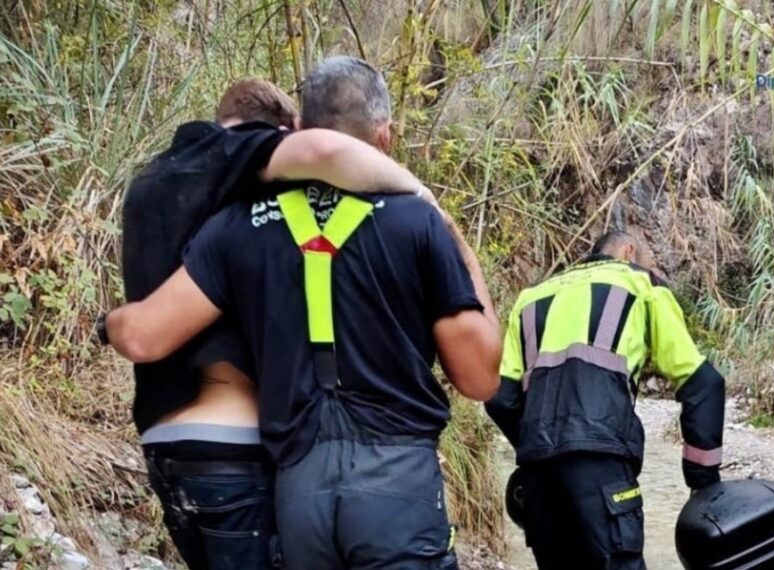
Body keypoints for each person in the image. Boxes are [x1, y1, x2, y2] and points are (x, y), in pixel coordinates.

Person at [102, 57, 501, 569]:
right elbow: (479, 378)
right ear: (386, 136)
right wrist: (460, 247)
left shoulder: (235, 225)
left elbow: (149, 331)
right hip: (396, 480)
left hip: (298, 486)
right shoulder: (415, 221)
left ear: (298, 130)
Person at [486, 230, 727, 570]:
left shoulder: (531, 297)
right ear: (628, 251)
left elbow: (500, 398)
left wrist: (540, 444)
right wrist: (704, 486)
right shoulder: (641, 286)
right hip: (603, 468)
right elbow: (703, 383)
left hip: (537, 477)